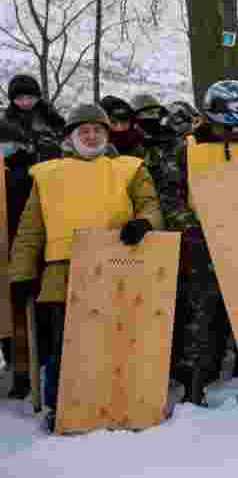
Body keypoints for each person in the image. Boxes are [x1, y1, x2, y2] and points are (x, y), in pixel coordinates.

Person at [8, 104, 163, 432]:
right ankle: (61, 407)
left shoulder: (130, 168)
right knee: (67, 347)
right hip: (63, 274)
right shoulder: (47, 174)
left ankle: (117, 404)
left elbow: (150, 204)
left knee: (117, 341)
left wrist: (144, 223)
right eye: (84, 130)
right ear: (71, 136)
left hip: (119, 267)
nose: (91, 135)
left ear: (107, 135)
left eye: (98, 130)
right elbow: (30, 230)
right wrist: (21, 273)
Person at [167, 80, 238, 406]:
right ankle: (194, 389)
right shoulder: (187, 148)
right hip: (204, 246)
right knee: (200, 320)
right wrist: (189, 229)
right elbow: (170, 194)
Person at [1, 74, 64, 399]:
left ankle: (47, 361)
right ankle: (20, 367)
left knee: (45, 294)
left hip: (50, 210)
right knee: (17, 292)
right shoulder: (5, 125)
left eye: (30, 96)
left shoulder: (53, 122)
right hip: (12, 211)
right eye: (19, 97)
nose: (25, 102)